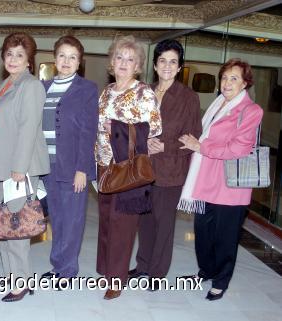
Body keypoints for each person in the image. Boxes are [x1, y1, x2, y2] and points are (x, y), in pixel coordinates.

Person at [178, 58, 263, 301]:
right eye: (224, 77)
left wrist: (200, 145)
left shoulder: (251, 110)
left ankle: (220, 281)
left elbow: (237, 149)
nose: (227, 83)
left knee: (225, 238)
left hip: (230, 187)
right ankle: (206, 270)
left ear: (245, 83)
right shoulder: (217, 105)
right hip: (205, 181)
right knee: (202, 233)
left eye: (234, 78)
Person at [128, 39, 202, 289]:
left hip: (170, 170)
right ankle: (143, 266)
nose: (167, 66)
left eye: (173, 62)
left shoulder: (188, 97)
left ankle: (157, 274)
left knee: (164, 224)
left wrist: (165, 146)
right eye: (162, 61)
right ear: (155, 65)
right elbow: (134, 125)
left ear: (180, 67)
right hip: (144, 167)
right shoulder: (144, 91)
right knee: (145, 220)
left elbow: (193, 137)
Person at [95, 35, 162, 300]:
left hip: (129, 169)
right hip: (104, 165)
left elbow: (155, 127)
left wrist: (119, 128)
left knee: (122, 224)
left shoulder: (143, 92)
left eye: (130, 59)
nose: (124, 62)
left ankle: (117, 279)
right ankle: (105, 269)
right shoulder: (107, 91)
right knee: (106, 222)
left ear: (138, 66)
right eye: (119, 57)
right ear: (112, 62)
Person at [0, 32, 50, 302]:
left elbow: (28, 128)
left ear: (29, 61)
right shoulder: (5, 84)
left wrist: (19, 167)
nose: (13, 59)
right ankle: (13, 276)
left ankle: (21, 283)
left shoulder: (31, 85)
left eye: (19, 55)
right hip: (2, 164)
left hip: (18, 166)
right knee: (5, 225)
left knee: (16, 227)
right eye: (9, 54)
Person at [40, 36, 99, 285]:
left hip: (73, 165)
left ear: (79, 63)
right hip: (46, 165)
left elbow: (89, 131)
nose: (66, 61)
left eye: (72, 57)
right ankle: (57, 265)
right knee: (56, 217)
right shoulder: (42, 87)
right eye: (62, 55)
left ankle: (67, 271)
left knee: (73, 220)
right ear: (55, 59)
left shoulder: (87, 89)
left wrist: (83, 169)